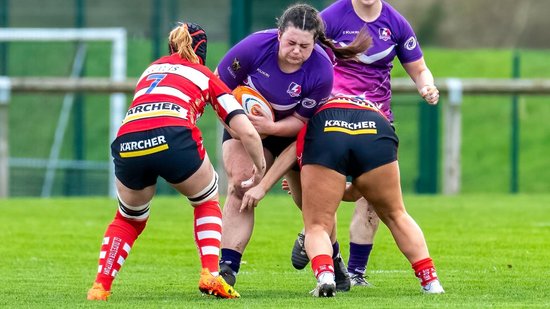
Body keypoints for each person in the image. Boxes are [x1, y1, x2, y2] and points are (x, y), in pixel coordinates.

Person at [86, 22, 266, 301]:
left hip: (128, 139)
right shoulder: (204, 74)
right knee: (206, 199)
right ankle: (211, 275)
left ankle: (100, 287)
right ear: (202, 51)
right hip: (172, 136)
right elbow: (246, 131)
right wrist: (260, 169)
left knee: (128, 217)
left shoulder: (150, 70)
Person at [215, 3, 371, 291]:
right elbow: (218, 90)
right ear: (278, 35)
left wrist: (271, 129)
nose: (296, 50)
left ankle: (333, 259)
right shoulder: (252, 48)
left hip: (291, 132)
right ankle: (226, 269)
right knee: (241, 184)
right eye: (290, 43)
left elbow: (301, 124)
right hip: (244, 124)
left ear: (315, 43)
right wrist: (238, 126)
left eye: (304, 45)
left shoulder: (322, 70)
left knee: (312, 204)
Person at [290, 0, 440, 287]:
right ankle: (315, 232)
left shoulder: (396, 23)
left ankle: (354, 271)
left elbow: (419, 68)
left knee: (375, 200)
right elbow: (303, 56)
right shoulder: (330, 17)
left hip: (376, 121)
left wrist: (426, 86)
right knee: (321, 198)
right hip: (331, 119)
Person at [242, 96, 444, 297]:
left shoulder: (309, 107)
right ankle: (431, 282)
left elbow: (292, 150)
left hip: (327, 128)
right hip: (376, 127)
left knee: (317, 225)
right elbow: (359, 191)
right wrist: (338, 188)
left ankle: (326, 277)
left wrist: (263, 187)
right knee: (397, 215)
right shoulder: (373, 106)